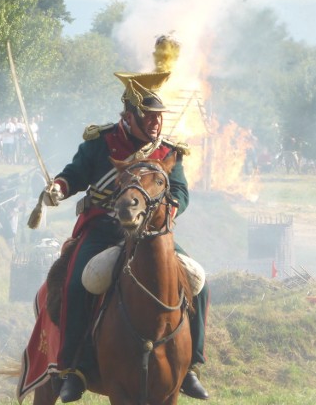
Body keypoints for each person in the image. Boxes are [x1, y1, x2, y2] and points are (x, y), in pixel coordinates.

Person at [42, 66, 210, 402]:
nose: (156, 123)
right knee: (79, 282)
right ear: (129, 115)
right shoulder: (102, 142)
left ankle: (192, 364)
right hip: (105, 230)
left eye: (158, 117)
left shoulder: (166, 151)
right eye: (148, 117)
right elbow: (74, 174)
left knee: (199, 282)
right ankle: (72, 367)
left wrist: (171, 208)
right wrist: (59, 188)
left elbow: (180, 190)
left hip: (152, 235)